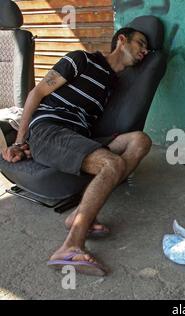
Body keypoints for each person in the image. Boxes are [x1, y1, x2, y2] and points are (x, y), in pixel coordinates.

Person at [1, 27, 152, 276]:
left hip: (78, 136)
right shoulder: (81, 59)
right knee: (111, 164)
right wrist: (19, 141)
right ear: (121, 40)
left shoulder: (111, 84)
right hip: (49, 129)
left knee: (140, 141)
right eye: (141, 43)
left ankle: (79, 215)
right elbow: (36, 93)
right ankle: (70, 247)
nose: (144, 51)